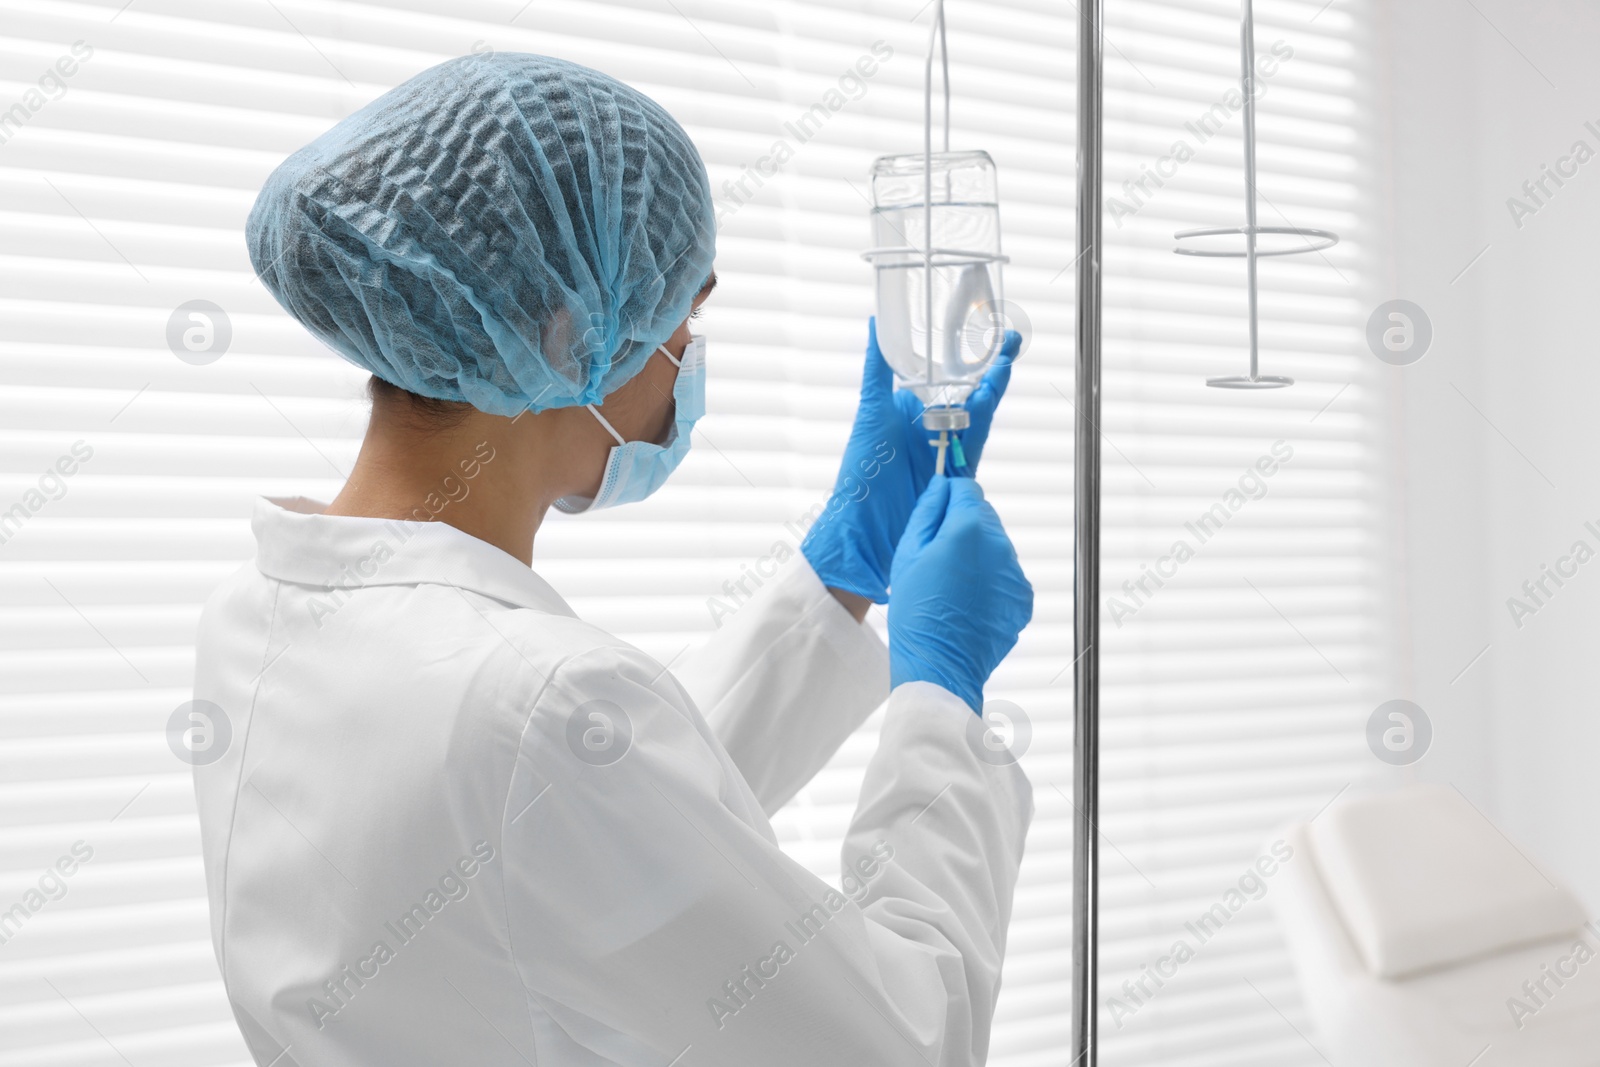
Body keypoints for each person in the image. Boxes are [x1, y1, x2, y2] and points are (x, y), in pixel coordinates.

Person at [192, 52, 1033, 1067]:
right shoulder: (535, 707)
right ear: (567, 334)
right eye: (685, 311)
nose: (688, 350)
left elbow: (578, 840)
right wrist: (939, 697)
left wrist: (836, 578)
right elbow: (908, 1040)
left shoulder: (262, 616)